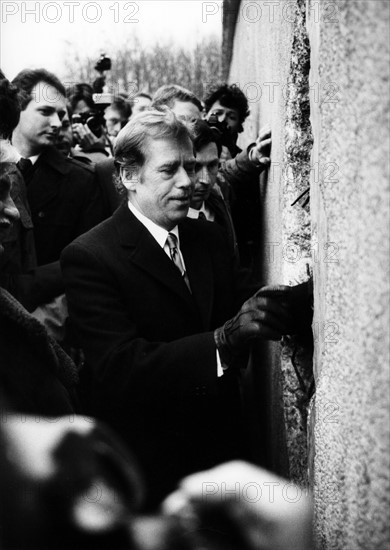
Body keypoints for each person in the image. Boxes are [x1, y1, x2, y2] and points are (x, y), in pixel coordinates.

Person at [61, 109, 309, 509]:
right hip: (152, 470)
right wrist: (220, 342)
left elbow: (250, 301)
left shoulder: (206, 238)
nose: (187, 182)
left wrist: (325, 294)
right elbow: (119, 367)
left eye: (190, 167)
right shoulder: (90, 256)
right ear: (128, 176)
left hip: (222, 453)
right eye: (169, 169)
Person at [11, 69, 105, 268]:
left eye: (61, 114)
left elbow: (87, 263)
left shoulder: (83, 181)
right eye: (45, 111)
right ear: (16, 108)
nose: (57, 123)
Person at [187, 119, 238, 260]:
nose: (206, 179)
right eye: (195, 167)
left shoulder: (219, 198)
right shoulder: (167, 223)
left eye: (212, 165)